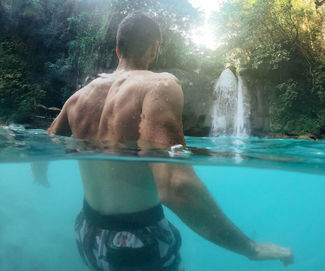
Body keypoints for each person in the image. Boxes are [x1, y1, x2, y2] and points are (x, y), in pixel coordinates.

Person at [47, 13, 294, 271]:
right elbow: (177, 188)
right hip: (136, 245)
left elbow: (50, 141)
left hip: (88, 232)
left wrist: (40, 176)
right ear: (154, 48)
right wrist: (250, 248)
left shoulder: (77, 98)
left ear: (118, 49)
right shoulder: (158, 85)